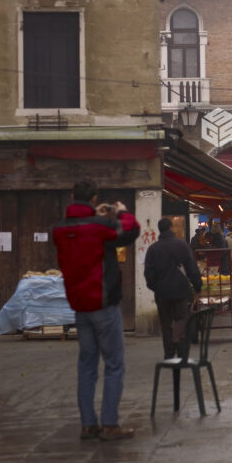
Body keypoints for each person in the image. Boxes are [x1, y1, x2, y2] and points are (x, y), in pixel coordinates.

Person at [52, 180, 140, 442]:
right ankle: (110, 423)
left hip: (79, 305)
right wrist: (121, 211)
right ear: (93, 199)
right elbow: (130, 229)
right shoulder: (100, 226)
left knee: (86, 365)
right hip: (103, 304)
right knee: (114, 364)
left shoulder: (59, 229)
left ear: (71, 196)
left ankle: (88, 424)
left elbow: (84, 236)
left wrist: (95, 215)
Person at [144, 216, 203, 360]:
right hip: (180, 290)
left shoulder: (153, 249)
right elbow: (191, 267)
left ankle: (169, 354)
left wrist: (156, 287)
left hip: (162, 293)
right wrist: (197, 285)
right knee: (182, 318)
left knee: (166, 323)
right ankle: (182, 352)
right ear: (171, 228)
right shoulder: (181, 245)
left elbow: (149, 274)